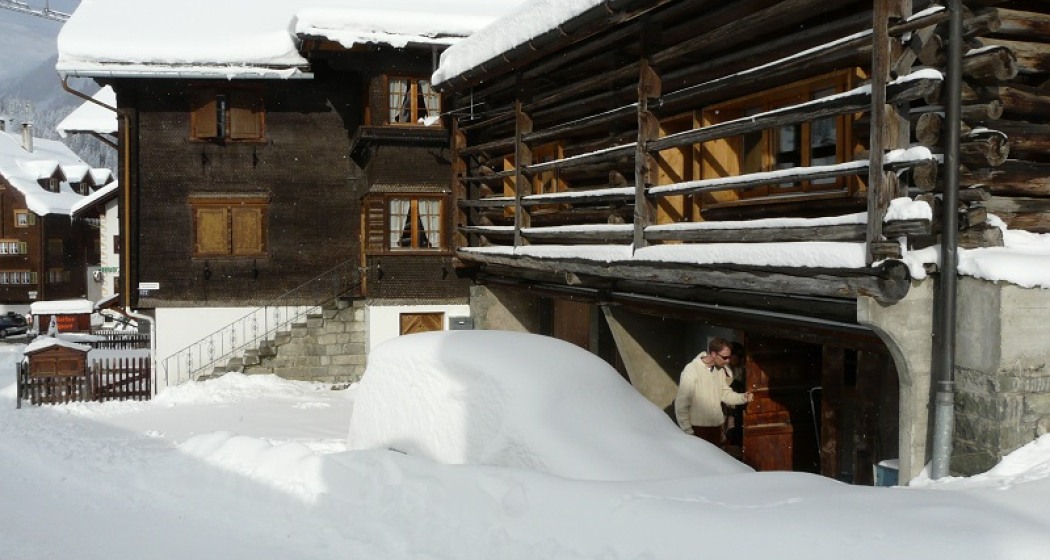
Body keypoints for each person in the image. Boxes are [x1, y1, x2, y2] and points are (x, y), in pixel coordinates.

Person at [674, 338, 753, 446]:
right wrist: (688, 432)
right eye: (725, 357)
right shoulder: (692, 370)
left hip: (716, 429)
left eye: (729, 357)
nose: (728, 361)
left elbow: (725, 394)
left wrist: (742, 397)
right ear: (713, 354)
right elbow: (681, 404)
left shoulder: (719, 370)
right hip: (698, 430)